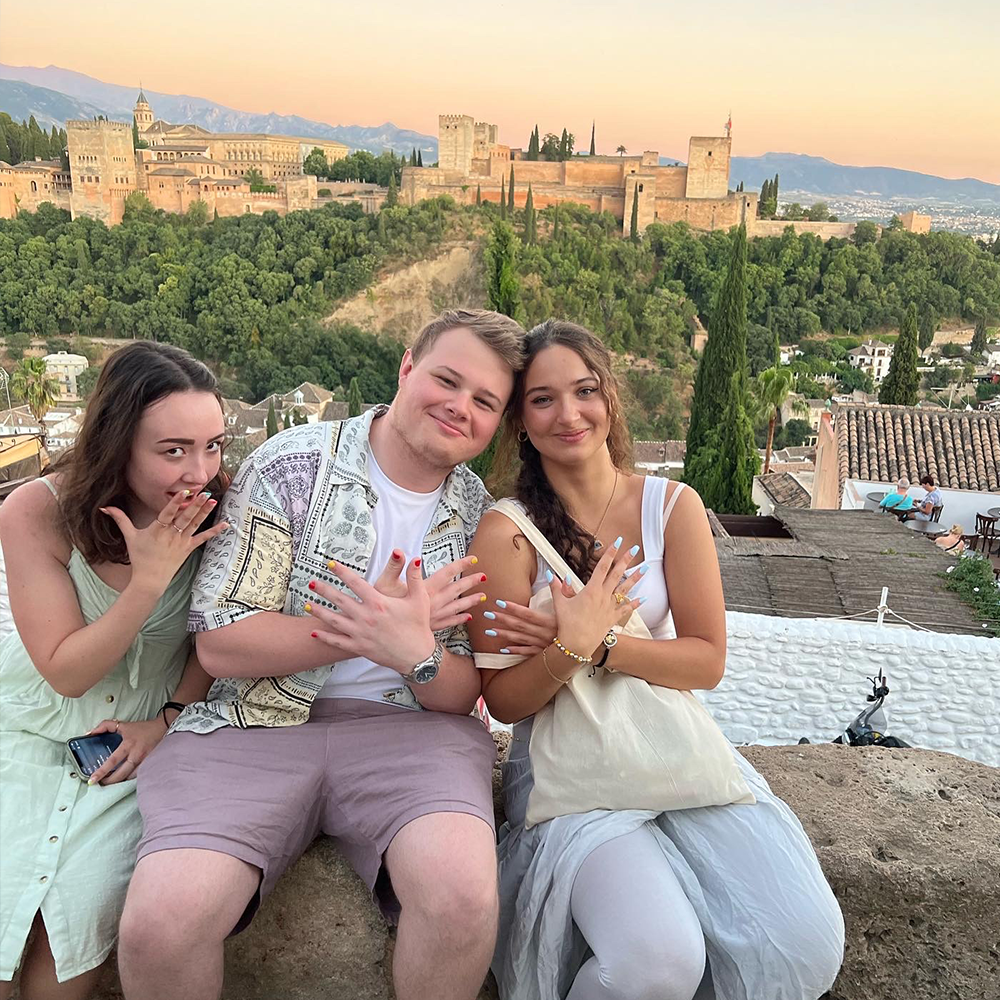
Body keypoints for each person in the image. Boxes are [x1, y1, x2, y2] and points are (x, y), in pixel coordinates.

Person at [117, 309, 526, 1000]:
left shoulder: (479, 515)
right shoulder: (293, 465)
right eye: (447, 380)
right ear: (406, 368)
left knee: (462, 904)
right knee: (160, 924)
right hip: (254, 725)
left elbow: (457, 694)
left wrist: (415, 650)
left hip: (412, 734)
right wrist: (368, 629)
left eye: (485, 401)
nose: (460, 406)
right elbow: (221, 639)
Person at [469, 320, 845, 1000]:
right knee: (655, 960)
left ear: (609, 397)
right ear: (520, 422)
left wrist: (602, 643)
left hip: (670, 751)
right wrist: (568, 647)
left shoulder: (672, 506)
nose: (569, 413)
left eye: (584, 390)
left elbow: (705, 661)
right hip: (571, 771)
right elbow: (504, 700)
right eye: (543, 399)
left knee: (804, 939)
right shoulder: (506, 533)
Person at [0, 343, 230, 1000]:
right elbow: (64, 672)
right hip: (26, 733)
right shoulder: (37, 512)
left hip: (132, 753)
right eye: (174, 449)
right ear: (118, 441)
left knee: (64, 955)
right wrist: (146, 584)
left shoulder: (223, 512)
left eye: (212, 445)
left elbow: (215, 640)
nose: (200, 471)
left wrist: (168, 719)